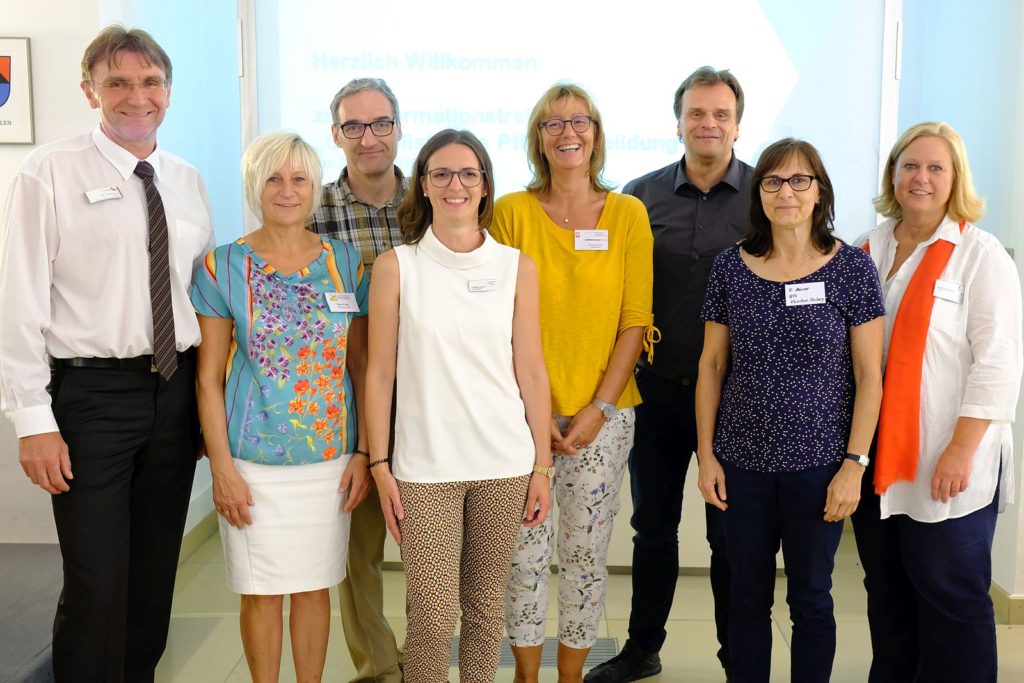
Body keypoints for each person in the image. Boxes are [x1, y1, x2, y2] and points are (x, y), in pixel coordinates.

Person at [0, 26, 214, 683]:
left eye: (150, 81)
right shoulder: (48, 172)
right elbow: (18, 300)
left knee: (153, 576)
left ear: (169, 93)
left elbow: (191, 295)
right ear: (90, 89)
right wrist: (32, 419)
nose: (135, 96)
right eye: (117, 82)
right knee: (97, 580)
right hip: (91, 399)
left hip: (174, 393)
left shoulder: (185, 180)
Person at [364, 128, 553, 682]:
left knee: (486, 610)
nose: (455, 184)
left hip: (504, 462)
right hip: (425, 468)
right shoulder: (396, 267)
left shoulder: (516, 266)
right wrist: (379, 463)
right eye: (441, 173)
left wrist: (541, 464)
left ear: (485, 185)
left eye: (469, 173)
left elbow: (532, 372)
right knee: (430, 615)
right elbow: (378, 375)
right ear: (422, 184)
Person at [695, 138, 884, 683]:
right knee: (746, 598)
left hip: (820, 466)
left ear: (819, 190)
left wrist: (855, 464)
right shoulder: (731, 266)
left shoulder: (850, 269)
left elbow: (870, 375)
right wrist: (707, 457)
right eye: (774, 181)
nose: (787, 192)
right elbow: (710, 367)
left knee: (812, 599)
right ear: (760, 194)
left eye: (800, 180)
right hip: (741, 465)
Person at [585, 65, 752, 683]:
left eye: (721, 114)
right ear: (678, 120)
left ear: (738, 122)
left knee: (729, 536)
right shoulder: (639, 195)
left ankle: (739, 656)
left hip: (737, 399)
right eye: (697, 113)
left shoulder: (767, 193)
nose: (708, 124)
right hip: (653, 388)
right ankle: (641, 648)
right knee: (652, 527)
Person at [191, 131, 369, 682]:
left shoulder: (345, 261)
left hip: (328, 460)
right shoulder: (222, 266)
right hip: (251, 461)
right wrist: (221, 469)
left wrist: (363, 452)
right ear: (254, 185)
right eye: (274, 178)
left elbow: (360, 367)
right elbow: (207, 379)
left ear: (315, 188)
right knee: (261, 593)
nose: (287, 191)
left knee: (316, 588)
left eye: (299, 179)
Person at [492, 83, 655, 683]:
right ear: (538, 138)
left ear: (596, 133)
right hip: (518, 414)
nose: (568, 133)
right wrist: (538, 417)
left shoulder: (629, 214)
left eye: (579, 121)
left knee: (584, 557)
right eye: (552, 123)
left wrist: (598, 410)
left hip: (603, 420)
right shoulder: (509, 212)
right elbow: (496, 317)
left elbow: (636, 321)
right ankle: (527, 677)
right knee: (523, 558)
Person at [851, 122, 1022, 683]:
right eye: (910, 166)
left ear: (954, 180)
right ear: (893, 174)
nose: (920, 178)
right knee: (889, 596)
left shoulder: (980, 255)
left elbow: (998, 364)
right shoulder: (867, 247)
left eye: (935, 168)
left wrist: (959, 449)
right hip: (879, 459)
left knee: (953, 600)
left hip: (949, 462)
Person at [307, 76, 406, 683]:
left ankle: (427, 662)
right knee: (357, 552)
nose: (368, 138)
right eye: (353, 126)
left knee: (436, 554)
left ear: (399, 127)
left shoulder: (433, 197)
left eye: (380, 124)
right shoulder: (311, 209)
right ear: (336, 133)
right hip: (346, 404)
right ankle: (379, 666)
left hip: (428, 399)